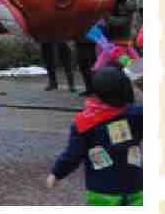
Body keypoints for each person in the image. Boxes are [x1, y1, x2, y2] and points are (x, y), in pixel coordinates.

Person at [46, 66, 142, 205]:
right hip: (136, 185)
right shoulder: (136, 113)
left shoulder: (84, 122)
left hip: (102, 190)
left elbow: (73, 155)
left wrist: (56, 173)